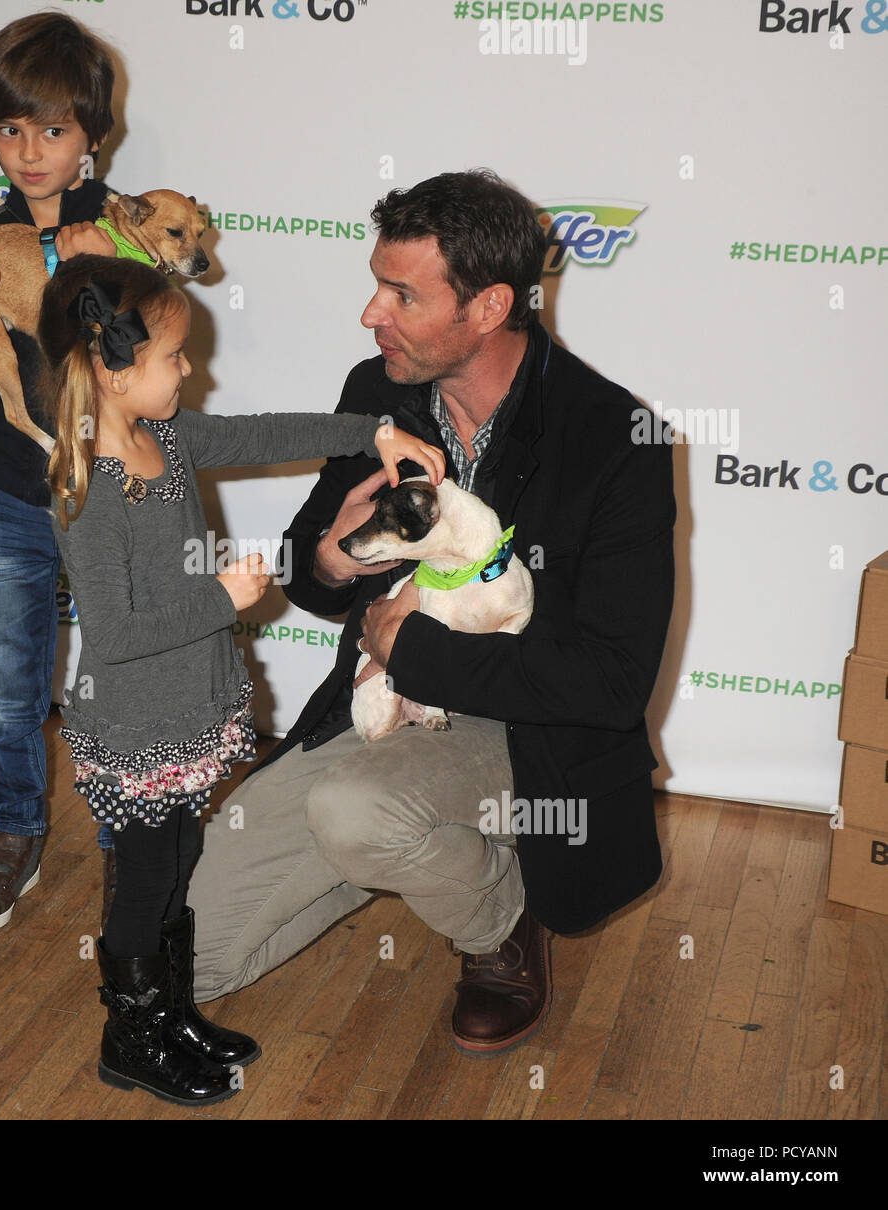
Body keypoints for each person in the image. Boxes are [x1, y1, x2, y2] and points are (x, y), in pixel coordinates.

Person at [187, 170, 676, 1054]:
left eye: (401, 294)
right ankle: (418, 841)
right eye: (377, 284)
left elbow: (609, 683)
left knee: (356, 812)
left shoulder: (613, 438)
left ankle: (499, 922)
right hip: (386, 711)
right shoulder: (379, 391)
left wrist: (412, 648)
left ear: (489, 307)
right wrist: (332, 556)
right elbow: (311, 569)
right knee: (189, 960)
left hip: (532, 730)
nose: (371, 314)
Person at [38, 254, 444, 1104]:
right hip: (138, 727)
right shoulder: (88, 493)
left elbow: (267, 434)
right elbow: (112, 637)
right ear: (114, 373)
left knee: (182, 856)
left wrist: (373, 430)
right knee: (145, 874)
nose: (191, 370)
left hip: (189, 708)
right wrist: (217, 596)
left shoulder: (169, 437)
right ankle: (130, 1033)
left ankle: (172, 1010)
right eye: (174, 357)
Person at [0, 12, 124, 933]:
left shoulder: (129, 230)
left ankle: (138, 840)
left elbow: (146, 380)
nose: (31, 151)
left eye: (53, 130)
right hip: (8, 497)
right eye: (10, 130)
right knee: (9, 680)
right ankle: (11, 832)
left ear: (92, 134)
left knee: (125, 673)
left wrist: (100, 293)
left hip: (118, 493)